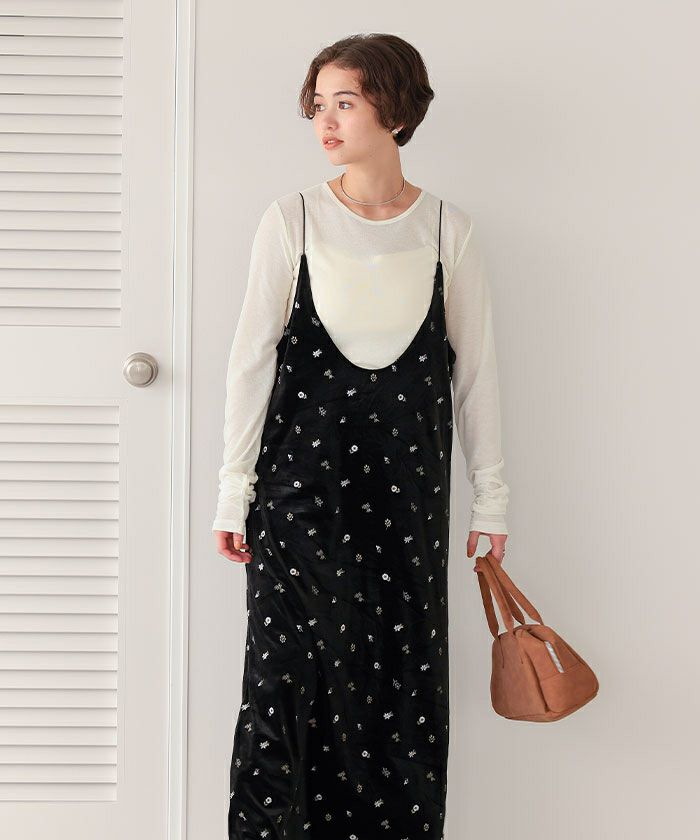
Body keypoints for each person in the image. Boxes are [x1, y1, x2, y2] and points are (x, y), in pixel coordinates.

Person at [213, 33, 509, 840]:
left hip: (407, 510)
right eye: (318, 104)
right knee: (283, 693)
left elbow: (476, 375)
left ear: (395, 108)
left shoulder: (448, 230)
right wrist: (233, 494)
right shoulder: (293, 220)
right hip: (296, 505)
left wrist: (492, 502)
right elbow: (249, 364)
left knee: (397, 700)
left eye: (344, 102)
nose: (326, 122)